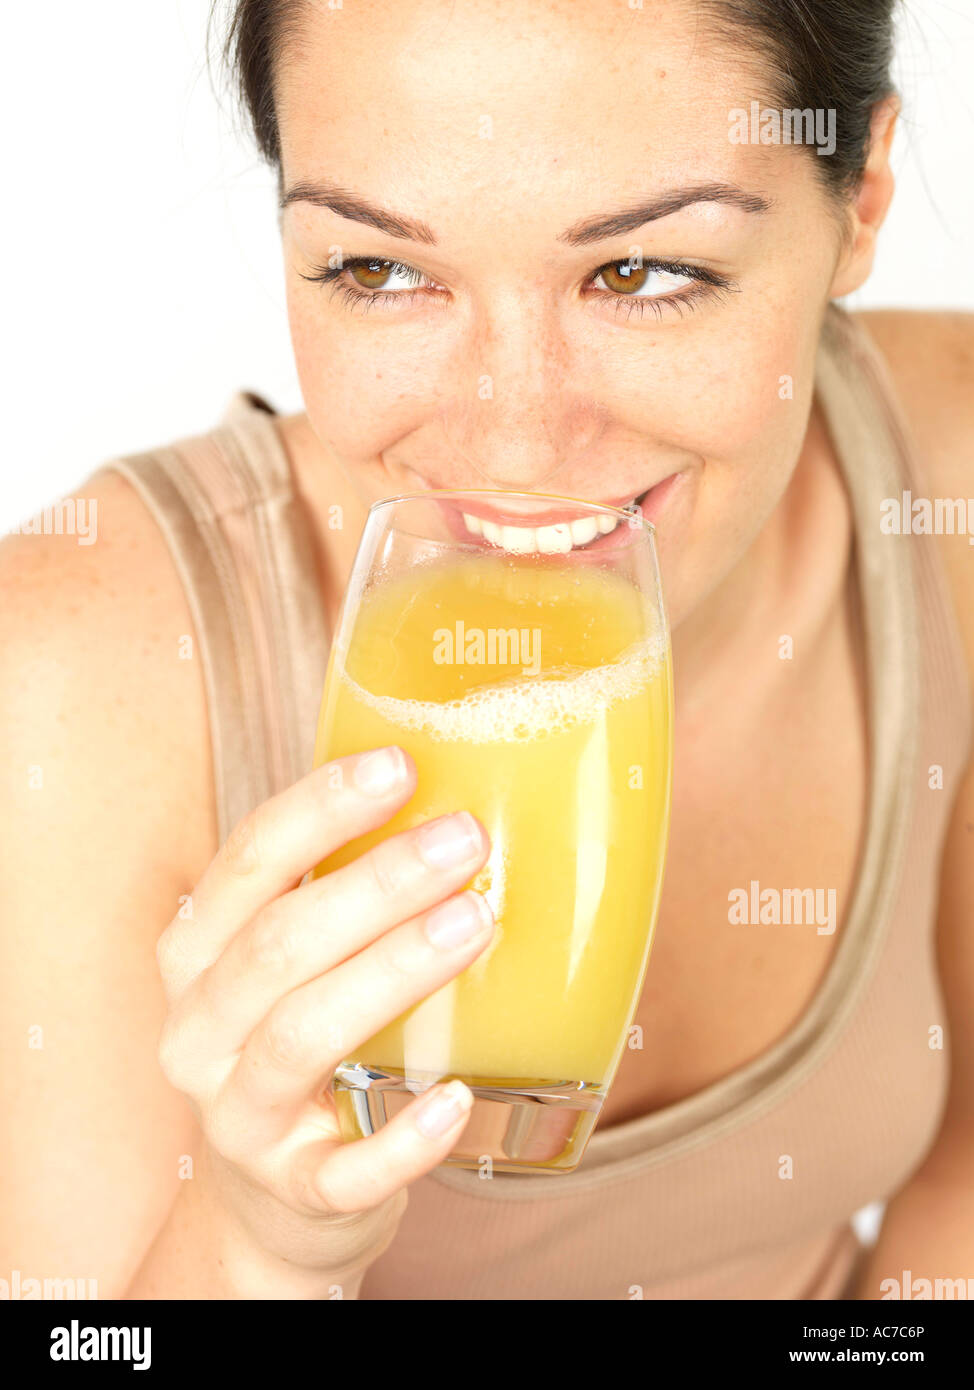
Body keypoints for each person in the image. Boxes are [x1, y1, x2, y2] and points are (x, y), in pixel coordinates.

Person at [2, 0, 972, 1301]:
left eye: (639, 273)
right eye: (379, 270)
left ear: (859, 196)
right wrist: (250, 1245)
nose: (513, 445)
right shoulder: (74, 669)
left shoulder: (945, 482)